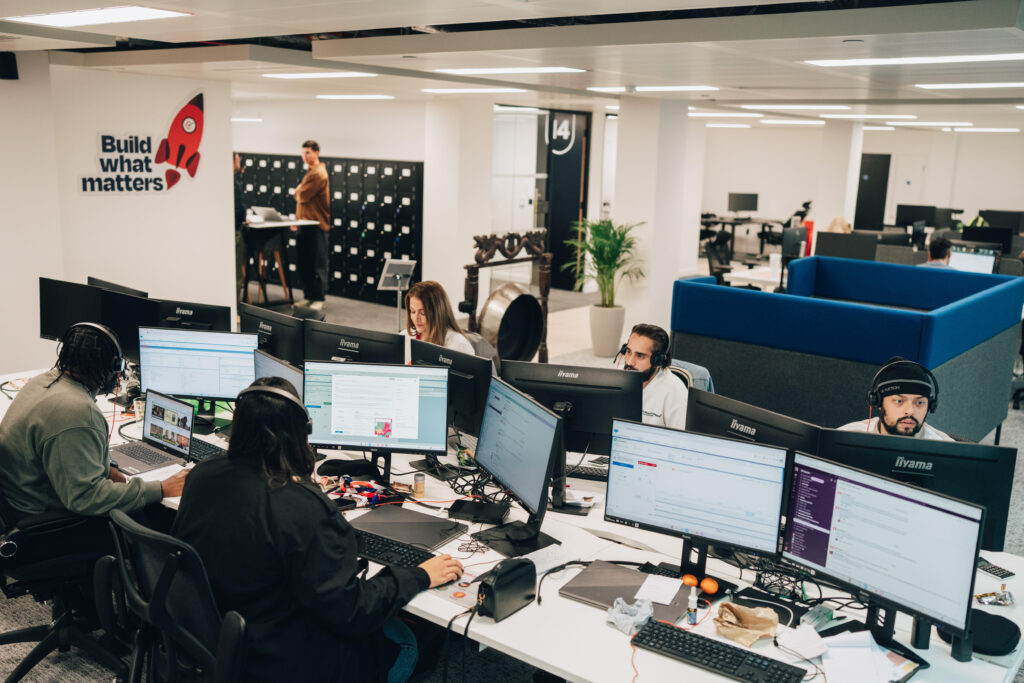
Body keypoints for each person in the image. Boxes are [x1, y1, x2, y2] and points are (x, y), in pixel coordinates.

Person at [172, 377, 463, 682]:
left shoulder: (203, 473)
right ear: (302, 432)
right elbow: (353, 613)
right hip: (276, 662)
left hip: (213, 640)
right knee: (406, 639)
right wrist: (418, 576)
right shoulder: (301, 506)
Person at [0, 323, 188, 521]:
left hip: (18, 504)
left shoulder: (42, 381)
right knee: (159, 516)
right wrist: (160, 488)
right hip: (47, 523)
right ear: (114, 367)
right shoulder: (78, 412)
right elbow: (86, 498)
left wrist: (108, 463)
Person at [838, 357, 953, 440]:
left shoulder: (945, 447)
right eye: (899, 401)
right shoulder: (846, 437)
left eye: (919, 402)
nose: (910, 411)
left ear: (930, 406)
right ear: (878, 402)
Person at [617, 324, 687, 430]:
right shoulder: (616, 376)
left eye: (640, 356)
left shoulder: (675, 392)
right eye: (628, 351)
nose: (630, 362)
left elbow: (680, 437)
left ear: (659, 360)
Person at [294, 140, 331, 310]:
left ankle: (318, 298)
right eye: (303, 152)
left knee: (317, 264)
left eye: (308, 152)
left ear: (317, 153)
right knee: (305, 263)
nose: (304, 156)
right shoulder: (310, 171)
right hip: (305, 224)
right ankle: (308, 295)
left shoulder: (318, 174)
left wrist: (298, 190)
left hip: (316, 225)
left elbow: (302, 196)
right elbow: (301, 196)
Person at [404, 280, 474, 355]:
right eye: (413, 311)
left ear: (438, 313)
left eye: (423, 313)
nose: (416, 318)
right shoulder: (405, 336)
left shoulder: (459, 345)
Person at [233, 151, 249, 300]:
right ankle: (235, 306)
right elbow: (239, 210)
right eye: (238, 159)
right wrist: (244, 218)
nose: (240, 162)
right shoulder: (234, 184)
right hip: (235, 232)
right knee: (236, 273)